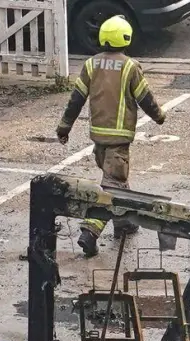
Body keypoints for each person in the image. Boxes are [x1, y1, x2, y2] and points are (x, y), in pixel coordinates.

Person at [56, 15, 167, 258]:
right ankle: (90, 230)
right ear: (126, 38)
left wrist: (65, 126)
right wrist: (159, 116)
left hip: (99, 139)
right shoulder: (130, 67)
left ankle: (124, 223)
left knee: (115, 179)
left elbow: (76, 99)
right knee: (113, 185)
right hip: (119, 140)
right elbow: (145, 98)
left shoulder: (90, 65)